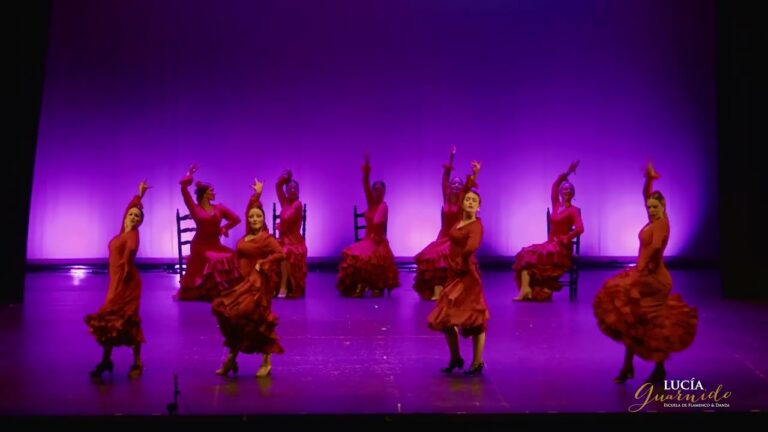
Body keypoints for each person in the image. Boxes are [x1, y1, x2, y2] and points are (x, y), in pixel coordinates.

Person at [593, 162, 698, 384]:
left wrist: (642, 266)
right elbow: (646, 195)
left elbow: (657, 246)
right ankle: (629, 366)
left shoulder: (661, 224)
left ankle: (653, 369)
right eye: (649, 207)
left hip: (655, 280)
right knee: (633, 321)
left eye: (654, 207)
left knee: (645, 323)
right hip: (645, 276)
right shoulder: (653, 219)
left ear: (663, 207)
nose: (650, 210)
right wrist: (649, 179)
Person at [211, 179, 285, 377]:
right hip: (241, 283)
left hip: (257, 286)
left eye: (258, 216)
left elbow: (281, 254)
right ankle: (232, 359)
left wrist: (265, 263)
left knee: (254, 320)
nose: (254, 220)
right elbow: (247, 210)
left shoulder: (266, 238)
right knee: (229, 314)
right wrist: (256, 196)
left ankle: (265, 360)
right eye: (251, 217)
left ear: (263, 218)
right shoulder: (246, 236)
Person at [85, 180, 150, 379]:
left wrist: (126, 260)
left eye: (137, 216)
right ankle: (106, 360)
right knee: (110, 321)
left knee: (128, 320)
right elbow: (128, 209)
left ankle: (137, 361)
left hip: (127, 282)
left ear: (140, 222)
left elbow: (131, 248)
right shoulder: (123, 232)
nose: (132, 217)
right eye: (131, 214)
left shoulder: (132, 235)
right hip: (115, 282)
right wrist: (139, 196)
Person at [427, 164, 488, 376]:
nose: (470, 202)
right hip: (454, 275)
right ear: (462, 202)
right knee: (445, 318)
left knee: (474, 320)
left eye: (474, 201)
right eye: (467, 199)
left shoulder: (476, 225)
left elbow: (473, 245)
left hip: (467, 275)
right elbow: (458, 189)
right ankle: (456, 358)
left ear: (479, 207)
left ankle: (477, 361)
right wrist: (472, 177)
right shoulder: (459, 220)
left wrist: (461, 257)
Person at [513, 161, 584, 301]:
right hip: (550, 244)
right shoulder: (556, 205)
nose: (567, 190)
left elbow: (580, 228)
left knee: (543, 255)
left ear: (573, 193)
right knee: (526, 253)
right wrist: (568, 173)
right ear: (561, 192)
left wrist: (566, 238)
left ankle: (543, 286)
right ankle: (525, 289)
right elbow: (555, 184)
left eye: (570, 189)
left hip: (561, 247)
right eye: (565, 188)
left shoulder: (574, 211)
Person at [414, 148, 479, 300]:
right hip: (443, 236)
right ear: (450, 186)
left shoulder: (463, 200)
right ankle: (437, 291)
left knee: (446, 255)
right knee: (434, 256)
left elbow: (469, 186)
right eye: (453, 183)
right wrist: (451, 157)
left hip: (456, 239)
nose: (456, 185)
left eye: (459, 184)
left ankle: (448, 289)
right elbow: (445, 177)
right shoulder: (446, 198)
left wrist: (475, 172)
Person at [175, 164, 241, 301]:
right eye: (212, 190)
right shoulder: (195, 208)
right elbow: (183, 189)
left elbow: (236, 219)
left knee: (231, 254)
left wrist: (225, 228)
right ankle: (209, 290)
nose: (215, 193)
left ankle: (224, 289)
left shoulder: (219, 208)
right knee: (213, 258)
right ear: (205, 193)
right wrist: (189, 173)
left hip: (215, 244)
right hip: (200, 246)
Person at [337, 155, 399, 297]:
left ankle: (374, 285)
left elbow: (378, 221)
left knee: (370, 256)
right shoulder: (371, 203)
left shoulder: (384, 206)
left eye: (380, 190)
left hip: (378, 241)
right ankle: (362, 284)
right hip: (367, 239)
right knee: (354, 254)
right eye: (375, 190)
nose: (377, 192)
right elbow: (365, 184)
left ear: (384, 192)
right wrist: (366, 171)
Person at [274, 170, 307, 298]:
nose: (292, 190)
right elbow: (277, 186)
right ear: (286, 191)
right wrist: (286, 178)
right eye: (290, 188)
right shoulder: (284, 202)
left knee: (285, 252)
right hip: (283, 238)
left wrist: (280, 226)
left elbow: (287, 218)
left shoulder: (298, 204)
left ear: (298, 191)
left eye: (295, 188)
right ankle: (274, 285)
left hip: (294, 241)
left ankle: (284, 285)